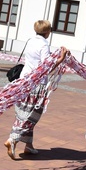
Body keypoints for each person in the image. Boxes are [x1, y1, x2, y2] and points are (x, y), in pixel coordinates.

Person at [4, 20, 69, 159]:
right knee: (32, 114)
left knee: (23, 112)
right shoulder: (44, 44)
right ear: (47, 32)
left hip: (24, 80)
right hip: (36, 84)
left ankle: (29, 146)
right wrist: (61, 58)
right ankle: (13, 140)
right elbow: (46, 66)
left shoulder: (31, 40)